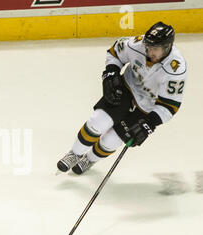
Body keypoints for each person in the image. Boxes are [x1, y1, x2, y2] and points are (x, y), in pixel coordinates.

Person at [57, 22, 187, 174]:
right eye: (149, 46)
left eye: (155, 49)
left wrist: (150, 123)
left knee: (111, 141)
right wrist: (111, 72)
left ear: (167, 48)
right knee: (97, 121)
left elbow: (169, 106)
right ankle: (75, 153)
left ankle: (90, 159)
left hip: (147, 107)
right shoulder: (137, 44)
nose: (149, 51)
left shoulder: (176, 70)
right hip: (126, 89)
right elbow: (115, 52)